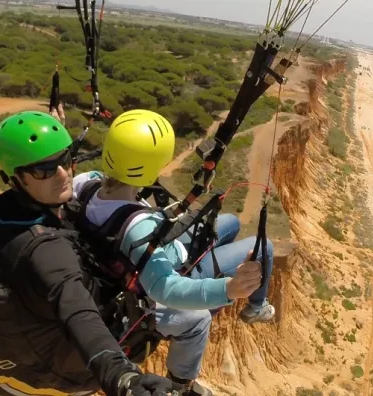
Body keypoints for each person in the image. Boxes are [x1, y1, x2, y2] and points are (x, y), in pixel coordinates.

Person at [0, 109, 181, 396]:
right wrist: (122, 377)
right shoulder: (45, 251)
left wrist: (46, 144)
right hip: (64, 374)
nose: (63, 174)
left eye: (64, 159)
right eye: (44, 169)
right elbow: (78, 309)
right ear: (13, 178)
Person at [72, 109, 276, 396]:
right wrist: (229, 288)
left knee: (230, 224)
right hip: (153, 278)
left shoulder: (85, 182)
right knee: (262, 248)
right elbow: (166, 289)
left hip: (125, 255)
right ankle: (183, 385)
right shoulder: (139, 228)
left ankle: (255, 305)